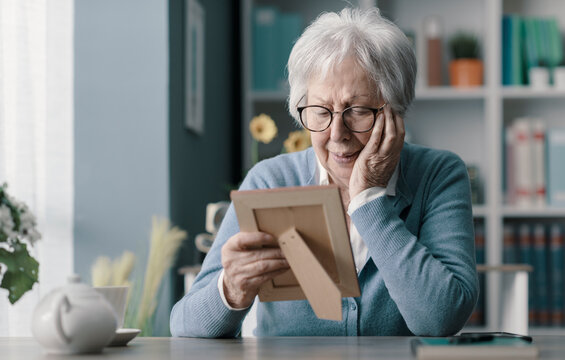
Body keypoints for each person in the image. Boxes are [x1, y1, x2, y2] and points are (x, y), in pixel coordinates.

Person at [170, 7, 478, 337]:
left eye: (357, 111)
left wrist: (369, 200)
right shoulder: (271, 181)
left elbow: (441, 319)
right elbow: (184, 325)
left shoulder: (438, 175)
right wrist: (230, 290)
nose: (336, 135)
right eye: (319, 111)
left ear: (395, 113)